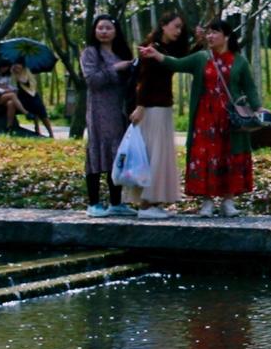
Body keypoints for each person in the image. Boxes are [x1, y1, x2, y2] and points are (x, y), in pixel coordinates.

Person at [179, 17, 261, 216]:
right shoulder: (201, 58)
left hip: (229, 118)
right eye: (208, 32)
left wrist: (258, 107)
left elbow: (249, 86)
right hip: (205, 117)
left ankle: (228, 201)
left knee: (229, 154)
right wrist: (156, 54)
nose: (210, 36)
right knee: (205, 154)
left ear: (226, 36)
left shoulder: (239, 61)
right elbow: (176, 63)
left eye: (215, 32)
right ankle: (206, 202)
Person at [129, 11, 204, 215]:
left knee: (158, 155)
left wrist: (198, 43)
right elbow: (144, 81)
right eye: (175, 26)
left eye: (181, 28)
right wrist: (141, 107)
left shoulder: (164, 50)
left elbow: (181, 62)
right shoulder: (152, 50)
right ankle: (146, 204)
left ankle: (153, 203)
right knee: (154, 154)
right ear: (163, 25)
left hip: (162, 106)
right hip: (152, 108)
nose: (178, 31)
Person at [78, 15, 137, 215]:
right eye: (100, 28)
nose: (103, 31)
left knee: (117, 154)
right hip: (99, 110)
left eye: (108, 28)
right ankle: (93, 202)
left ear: (116, 31)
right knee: (97, 153)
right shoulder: (90, 53)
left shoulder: (122, 53)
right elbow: (92, 79)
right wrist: (116, 68)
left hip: (119, 110)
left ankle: (116, 202)